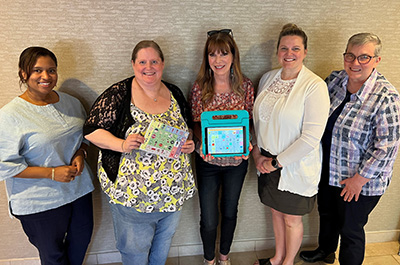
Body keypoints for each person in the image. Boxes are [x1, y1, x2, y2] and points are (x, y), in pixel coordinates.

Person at [83, 40, 196, 265]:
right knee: (134, 252)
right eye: (142, 61)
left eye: (154, 61)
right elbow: (91, 131)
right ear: (133, 64)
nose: (149, 67)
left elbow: (187, 128)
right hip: (132, 197)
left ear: (162, 64)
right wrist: (122, 144)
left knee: (162, 247)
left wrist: (189, 143)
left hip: (172, 193)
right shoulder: (119, 94)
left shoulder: (173, 91)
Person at [299, 33, 400, 265]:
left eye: (364, 57)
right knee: (327, 215)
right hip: (329, 170)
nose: (355, 63)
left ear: (377, 60)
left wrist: (359, 180)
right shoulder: (335, 81)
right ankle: (325, 251)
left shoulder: (387, 97)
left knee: (351, 229)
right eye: (350, 56)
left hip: (360, 181)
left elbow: (386, 148)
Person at [0, 46, 94, 265]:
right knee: (53, 257)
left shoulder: (71, 102)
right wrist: (52, 173)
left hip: (78, 191)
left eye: (51, 70)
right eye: (37, 70)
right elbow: (4, 166)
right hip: (39, 201)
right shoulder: (9, 116)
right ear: (24, 73)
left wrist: (81, 152)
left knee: (79, 245)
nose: (46, 76)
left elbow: (85, 136)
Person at [252, 24, 330, 265]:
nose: (289, 53)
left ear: (305, 52)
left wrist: (276, 163)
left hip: (292, 165)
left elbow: (310, 138)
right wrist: (257, 155)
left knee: (291, 219)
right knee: (275, 212)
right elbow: (258, 121)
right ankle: (277, 258)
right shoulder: (267, 79)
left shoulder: (314, 86)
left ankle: (288, 263)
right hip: (265, 162)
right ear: (277, 51)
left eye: (296, 48)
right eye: (284, 48)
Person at [189, 29, 254, 265]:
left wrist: (249, 143)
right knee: (208, 218)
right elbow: (195, 122)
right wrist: (203, 142)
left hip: (237, 162)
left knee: (230, 211)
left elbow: (250, 121)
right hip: (207, 162)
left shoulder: (245, 86)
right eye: (212, 55)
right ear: (207, 58)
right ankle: (209, 260)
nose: (218, 60)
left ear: (233, 56)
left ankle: (224, 258)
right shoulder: (199, 87)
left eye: (224, 54)